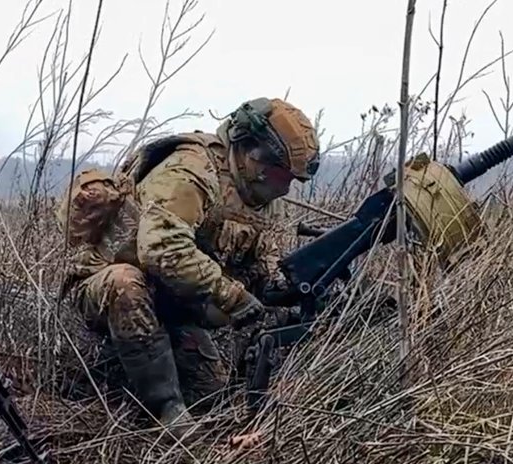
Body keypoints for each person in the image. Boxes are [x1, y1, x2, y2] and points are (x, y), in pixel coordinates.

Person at [58, 97, 320, 429]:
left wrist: (285, 291)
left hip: (172, 302)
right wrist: (232, 296)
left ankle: (141, 371)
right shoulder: (192, 169)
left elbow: (258, 264)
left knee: (211, 398)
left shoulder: (256, 197)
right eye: (282, 174)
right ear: (249, 150)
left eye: (291, 180)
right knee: (126, 282)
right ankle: (164, 410)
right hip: (105, 288)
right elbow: (160, 249)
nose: (285, 187)